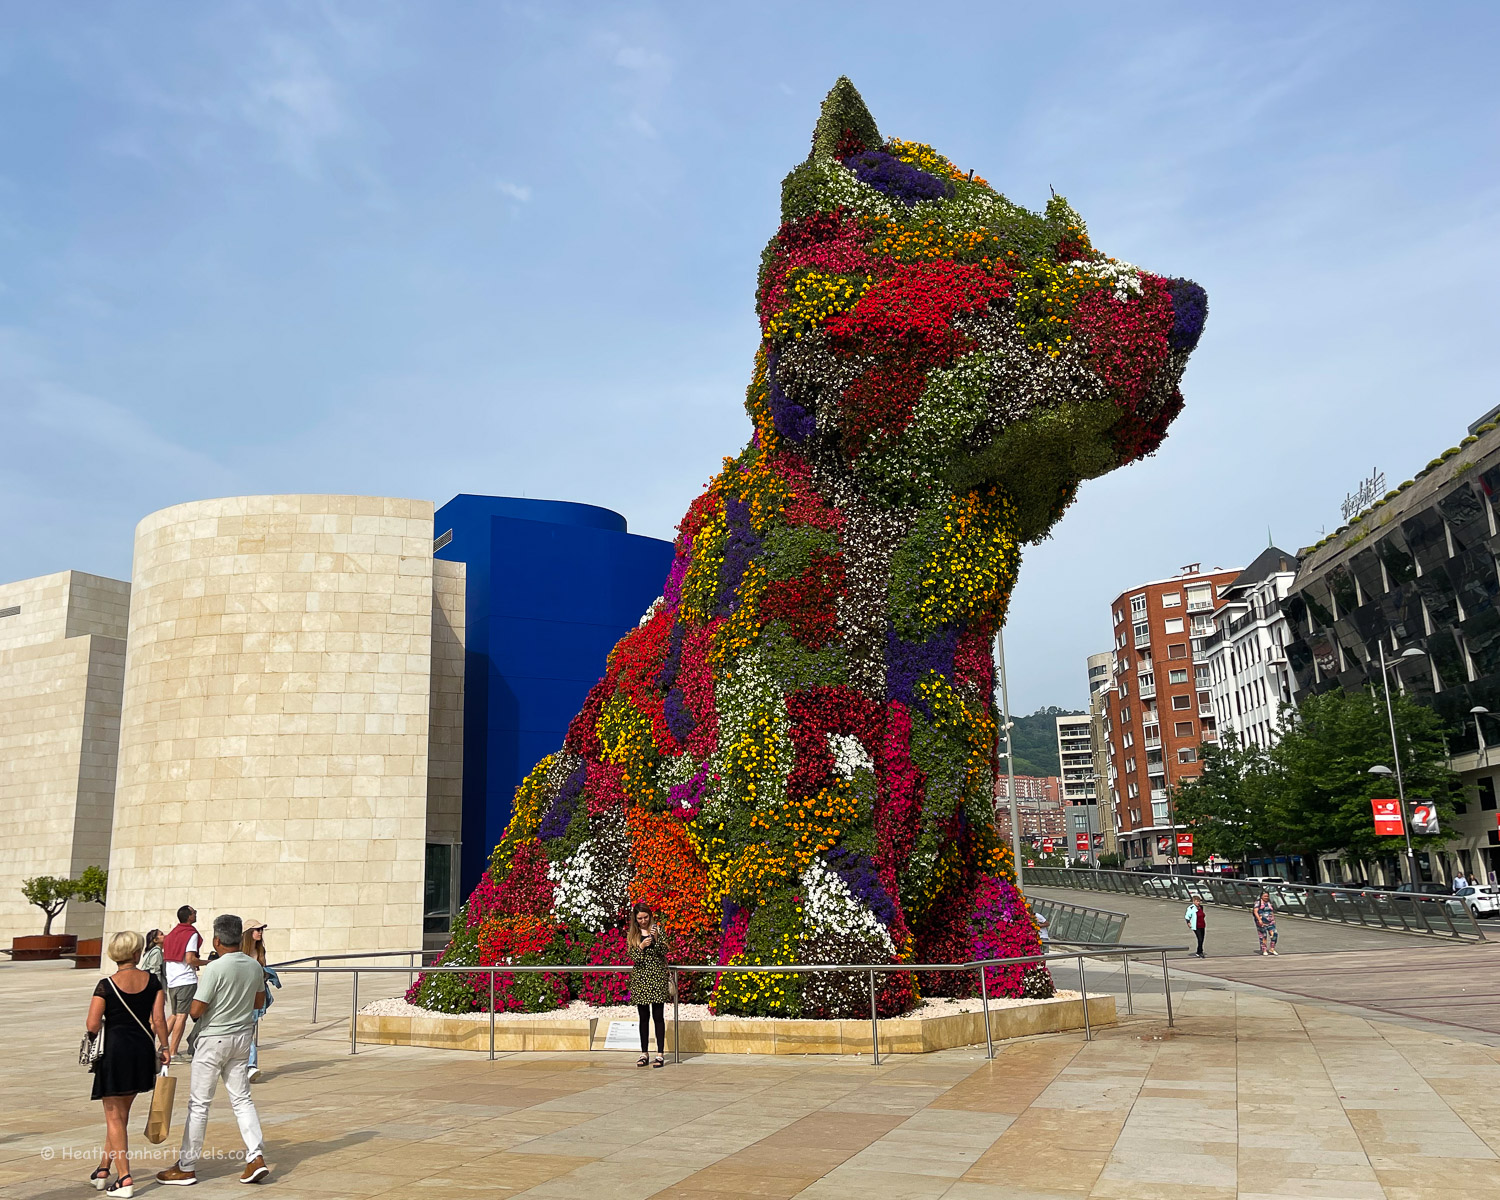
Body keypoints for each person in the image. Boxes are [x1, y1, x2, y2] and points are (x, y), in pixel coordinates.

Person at [156, 915, 269, 1187]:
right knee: (242, 1099)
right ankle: (256, 1156)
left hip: (213, 1038)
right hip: (242, 1037)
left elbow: (196, 1010)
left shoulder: (216, 968)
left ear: (217, 940)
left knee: (199, 1105)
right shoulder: (254, 966)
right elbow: (258, 1001)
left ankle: (187, 1165)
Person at [85, 930, 171, 1197]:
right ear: (136, 953)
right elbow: (158, 1020)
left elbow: (91, 1024)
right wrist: (165, 1047)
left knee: (114, 1116)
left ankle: (124, 1178)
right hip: (142, 1051)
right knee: (120, 1115)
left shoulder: (106, 985)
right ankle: (103, 1168)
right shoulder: (153, 981)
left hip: (114, 1052)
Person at [626, 902, 669, 1068]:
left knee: (658, 1017)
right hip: (641, 979)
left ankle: (660, 1053)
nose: (643, 921)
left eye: (646, 917)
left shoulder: (658, 930)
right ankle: (644, 1052)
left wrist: (656, 940)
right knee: (643, 1017)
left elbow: (665, 952)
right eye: (640, 918)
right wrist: (641, 947)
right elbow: (633, 957)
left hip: (656, 977)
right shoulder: (633, 935)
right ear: (635, 919)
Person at [240, 919, 281, 1083]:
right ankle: (248, 1066)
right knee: (244, 1032)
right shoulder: (240, 952)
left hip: (256, 995)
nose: (260, 932)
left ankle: (248, 1066)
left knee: (248, 1031)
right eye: (257, 930)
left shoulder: (260, 950)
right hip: (242, 996)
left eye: (261, 930)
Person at [161, 906, 203, 1061]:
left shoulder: (171, 934)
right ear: (189, 917)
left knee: (174, 1014)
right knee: (181, 1016)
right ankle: (173, 1052)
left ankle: (162, 1047)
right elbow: (190, 959)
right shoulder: (190, 933)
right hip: (186, 980)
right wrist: (208, 962)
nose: (196, 914)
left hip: (172, 981)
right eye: (194, 913)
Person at [139, 929, 167, 994]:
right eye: (161, 934)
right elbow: (155, 971)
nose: (165, 936)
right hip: (153, 986)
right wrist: (158, 989)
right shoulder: (156, 951)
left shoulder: (151, 951)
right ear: (155, 940)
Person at [1252, 891, 1279, 955]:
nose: (1266, 897)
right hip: (1262, 922)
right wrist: (1259, 920)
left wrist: (1273, 919)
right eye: (1265, 896)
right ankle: (1264, 950)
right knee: (1263, 936)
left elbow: (1271, 911)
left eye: (1267, 896)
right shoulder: (1258, 903)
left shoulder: (1269, 903)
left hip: (1270, 921)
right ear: (1261, 896)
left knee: (1275, 934)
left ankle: (1272, 948)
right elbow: (1255, 911)